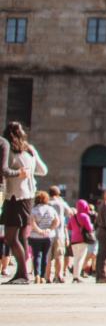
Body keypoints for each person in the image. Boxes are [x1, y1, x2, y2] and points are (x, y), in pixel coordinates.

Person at [2, 121, 47, 284]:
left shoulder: (10, 151)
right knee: (21, 237)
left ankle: (22, 274)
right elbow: (43, 170)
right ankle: (22, 274)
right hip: (29, 197)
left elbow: (5, 171)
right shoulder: (30, 149)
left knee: (11, 237)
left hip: (14, 196)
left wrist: (20, 173)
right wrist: (30, 172)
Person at [28, 190, 59, 284]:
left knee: (37, 255)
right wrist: (49, 229)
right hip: (48, 236)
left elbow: (32, 222)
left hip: (35, 236)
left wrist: (39, 231)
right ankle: (42, 276)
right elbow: (56, 221)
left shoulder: (34, 210)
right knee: (45, 256)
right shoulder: (51, 209)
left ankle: (37, 274)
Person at [68, 199, 96, 280]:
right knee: (81, 258)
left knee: (76, 258)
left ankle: (75, 276)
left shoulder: (73, 216)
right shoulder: (85, 216)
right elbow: (90, 228)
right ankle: (77, 276)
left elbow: (69, 227)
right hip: (82, 239)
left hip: (73, 240)